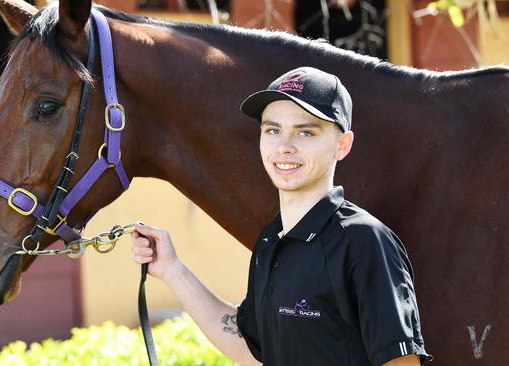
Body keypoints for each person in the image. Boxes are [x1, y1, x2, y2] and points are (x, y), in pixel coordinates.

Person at [130, 66, 430, 366]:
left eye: (305, 132)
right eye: (273, 130)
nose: (284, 147)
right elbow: (251, 351)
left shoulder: (364, 241)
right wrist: (172, 270)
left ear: (342, 145)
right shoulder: (270, 242)